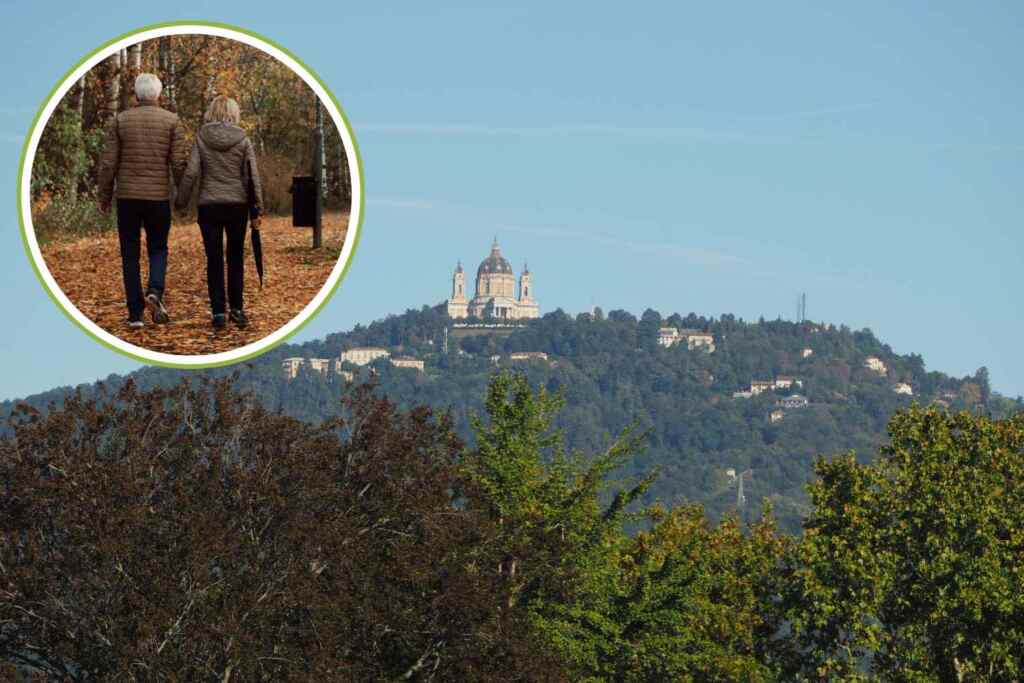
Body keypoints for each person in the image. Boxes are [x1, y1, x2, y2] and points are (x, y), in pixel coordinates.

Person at [97, 73, 189, 328]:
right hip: (158, 197)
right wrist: (183, 196)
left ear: (136, 95)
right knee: (158, 248)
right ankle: (155, 291)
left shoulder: (120, 121)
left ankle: (135, 314)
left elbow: (108, 163)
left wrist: (104, 196)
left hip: (127, 198)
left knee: (130, 254)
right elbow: (179, 163)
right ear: (158, 95)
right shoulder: (172, 121)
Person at [176, 95, 264, 330]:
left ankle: (218, 313)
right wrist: (257, 209)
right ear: (233, 113)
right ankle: (237, 308)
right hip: (237, 205)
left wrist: (181, 201)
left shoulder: (202, 137)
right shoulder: (243, 140)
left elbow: (192, 172)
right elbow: (252, 176)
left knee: (214, 259)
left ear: (211, 113)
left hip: (209, 205)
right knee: (235, 257)